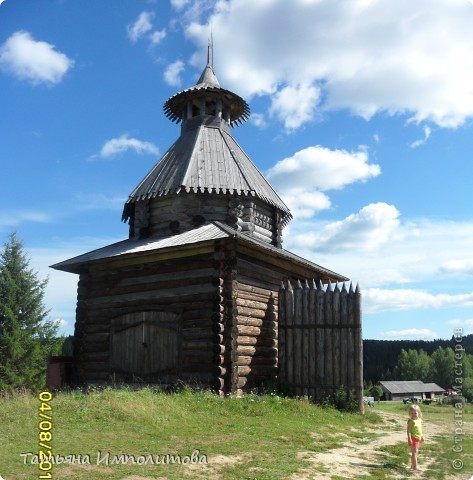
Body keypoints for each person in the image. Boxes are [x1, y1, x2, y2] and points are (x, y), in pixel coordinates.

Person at [407, 404, 424, 471]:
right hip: (413, 439)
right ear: (409, 414)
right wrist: (409, 439)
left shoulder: (419, 420)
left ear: (418, 412)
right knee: (414, 453)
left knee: (416, 452)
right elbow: (408, 431)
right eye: (412, 413)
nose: (413, 414)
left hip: (417, 439)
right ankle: (415, 467)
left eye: (415, 413)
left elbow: (419, 429)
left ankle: (412, 465)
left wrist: (422, 436)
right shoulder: (411, 421)